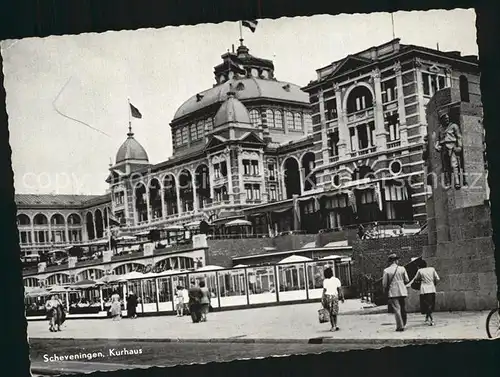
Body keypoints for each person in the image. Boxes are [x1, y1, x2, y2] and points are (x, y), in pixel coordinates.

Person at [435, 108, 463, 189]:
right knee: (446, 167)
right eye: (445, 118)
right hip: (444, 148)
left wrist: (459, 147)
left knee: (454, 165)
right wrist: (437, 146)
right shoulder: (440, 129)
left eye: (447, 118)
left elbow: (459, 137)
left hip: (452, 147)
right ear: (442, 120)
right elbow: (437, 140)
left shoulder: (454, 126)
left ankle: (457, 181)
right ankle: (449, 182)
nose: (447, 119)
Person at [408, 259, 440, 326]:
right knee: (430, 304)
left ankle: (432, 320)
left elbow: (415, 279)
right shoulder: (432, 269)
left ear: (419, 266)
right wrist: (434, 284)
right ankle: (427, 318)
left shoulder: (420, 271)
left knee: (427, 305)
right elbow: (437, 279)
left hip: (424, 290)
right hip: (432, 289)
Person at [383, 254, 410, 332]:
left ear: (390, 261)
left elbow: (384, 284)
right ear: (395, 260)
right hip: (402, 290)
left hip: (393, 291)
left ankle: (400, 326)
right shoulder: (402, 269)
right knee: (403, 307)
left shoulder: (386, 270)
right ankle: (404, 323)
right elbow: (407, 280)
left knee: (397, 308)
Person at [321, 267, 344, 331]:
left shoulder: (325, 281)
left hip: (328, 297)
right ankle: (335, 325)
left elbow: (324, 290)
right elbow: (340, 289)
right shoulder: (336, 280)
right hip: (335, 297)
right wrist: (342, 297)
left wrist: (322, 298)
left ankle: (333, 326)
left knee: (330, 313)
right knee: (335, 312)